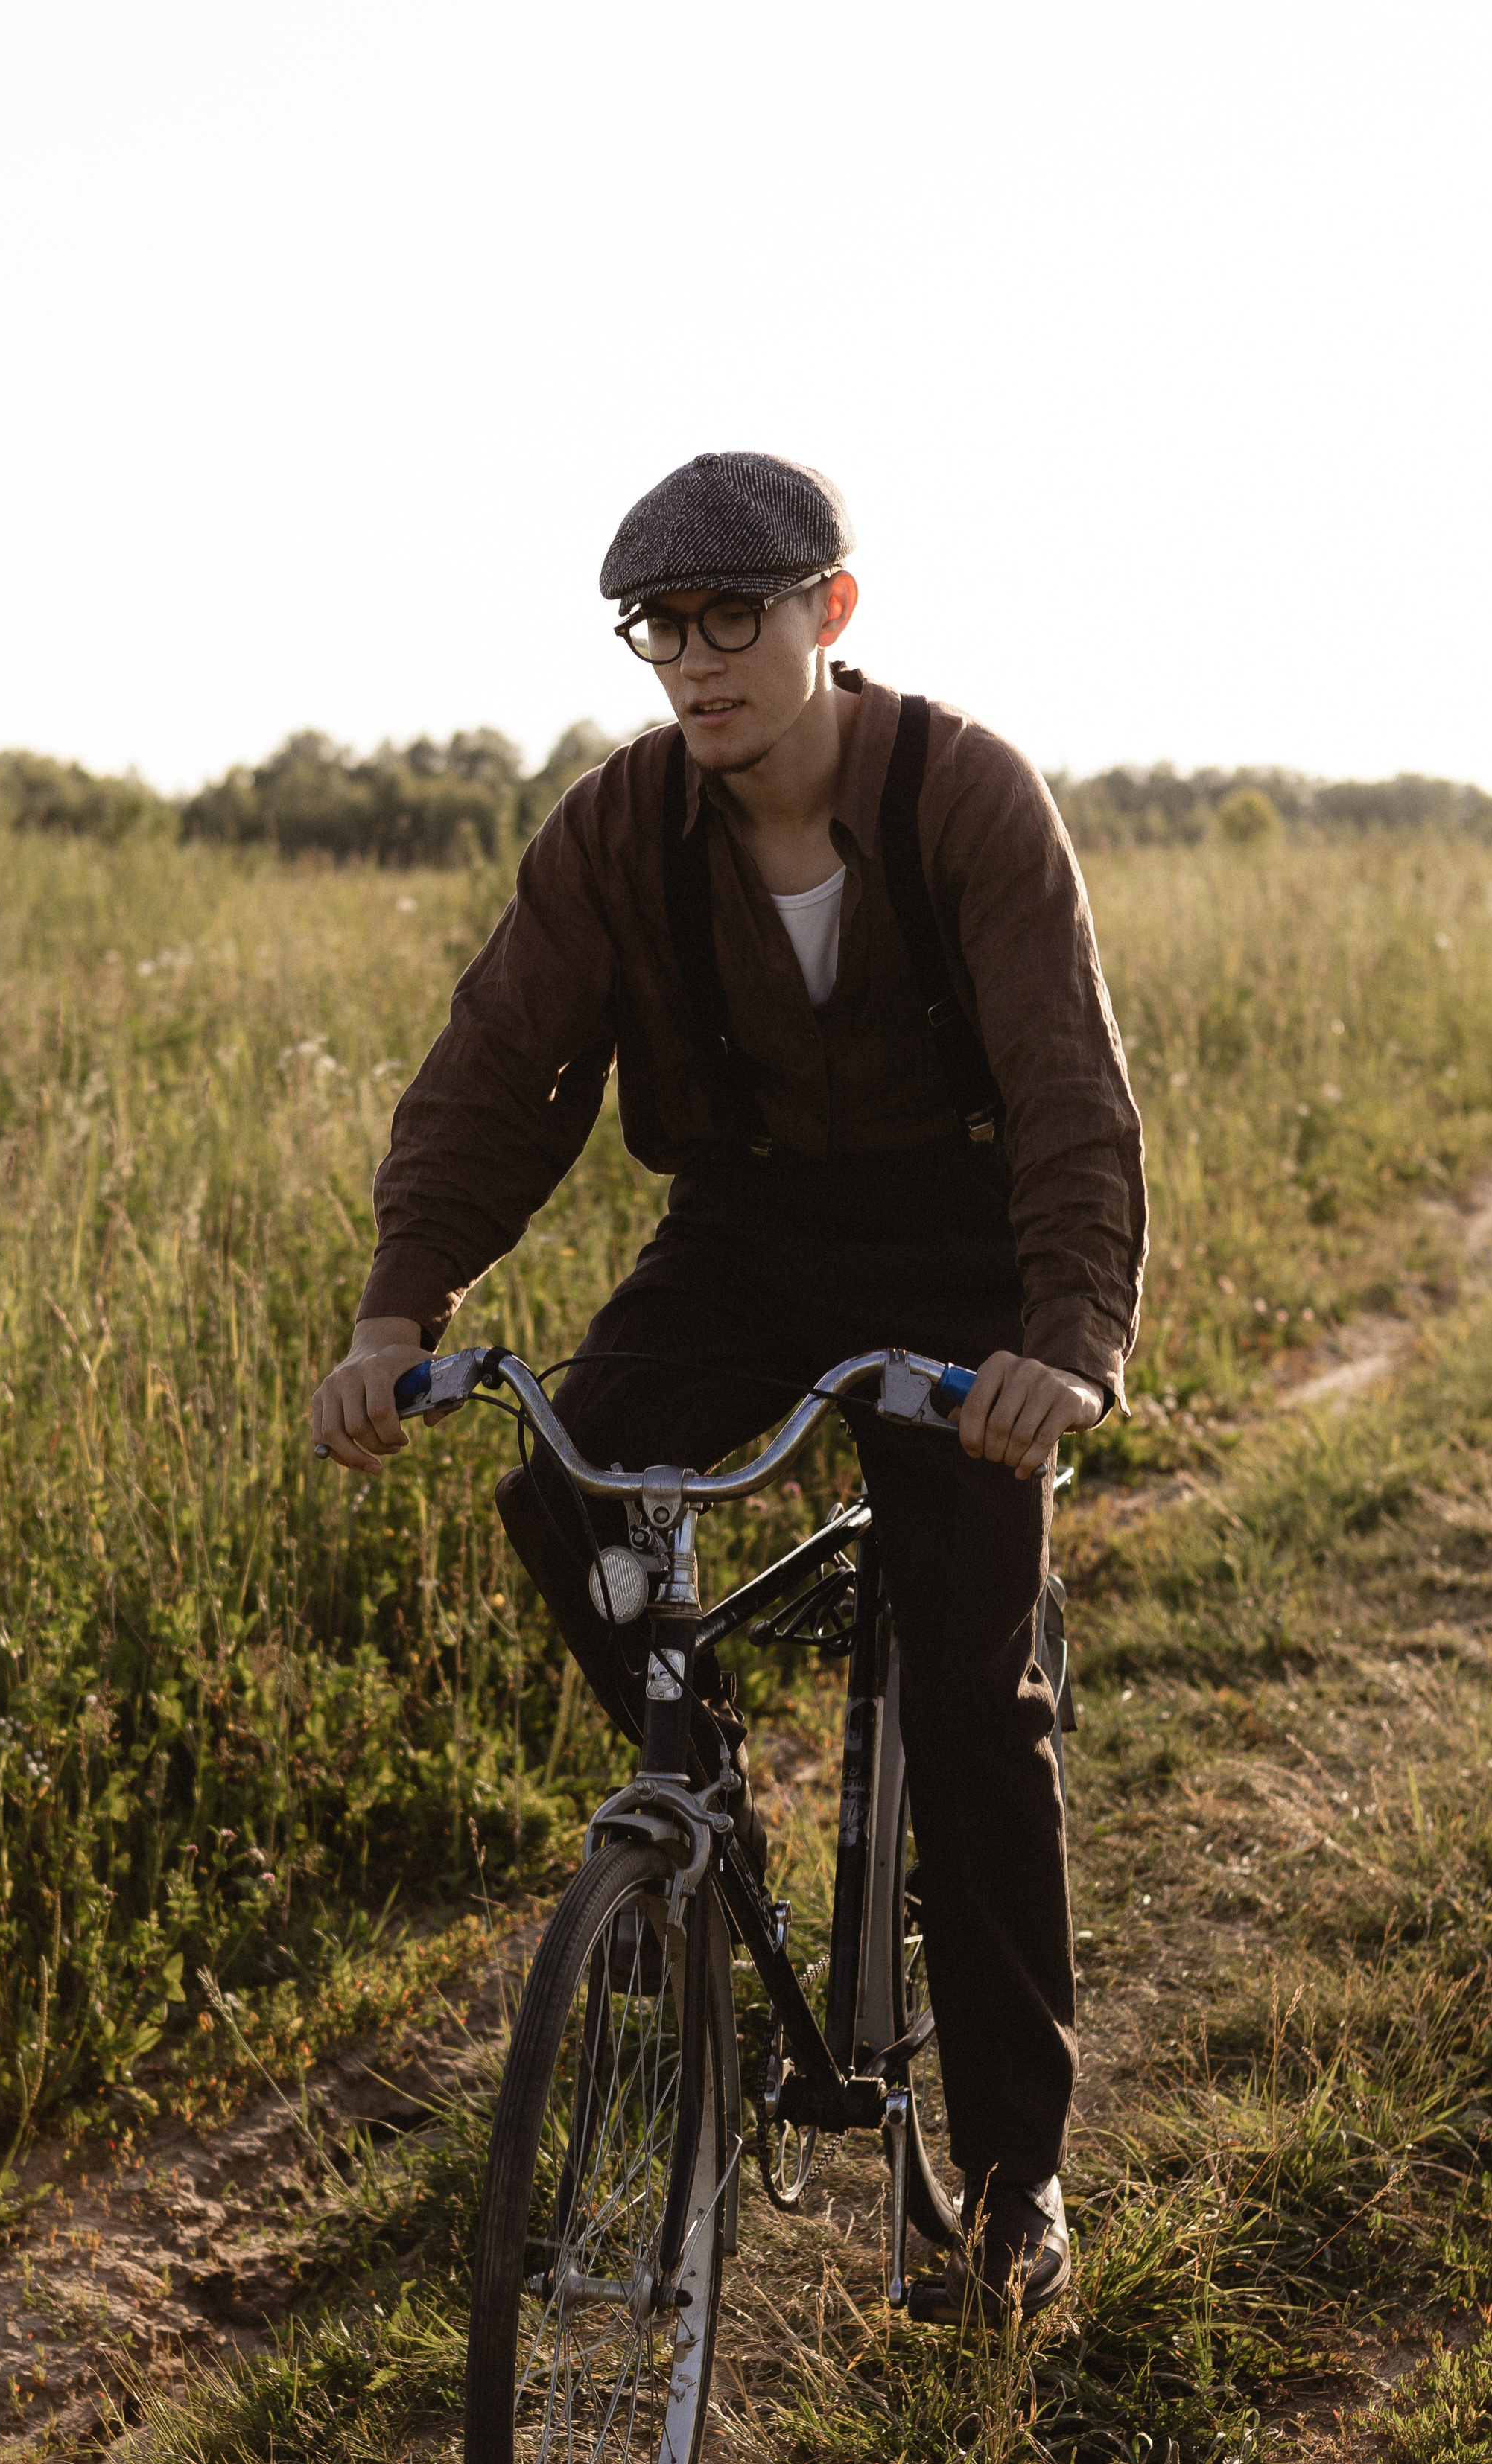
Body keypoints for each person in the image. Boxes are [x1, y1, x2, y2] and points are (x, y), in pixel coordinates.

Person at [311, 451, 1146, 2324]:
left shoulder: (963, 797)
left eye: (732, 619)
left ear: (827, 615)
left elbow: (1072, 1095)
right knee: (569, 1474)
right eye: (660, 630)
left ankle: (1015, 2188)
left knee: (971, 1703)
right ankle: (697, 1814)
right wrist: (393, 1317)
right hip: (747, 1231)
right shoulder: (618, 834)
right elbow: (490, 1073)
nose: (693, 662)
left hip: (956, 1249)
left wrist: (1062, 1348)